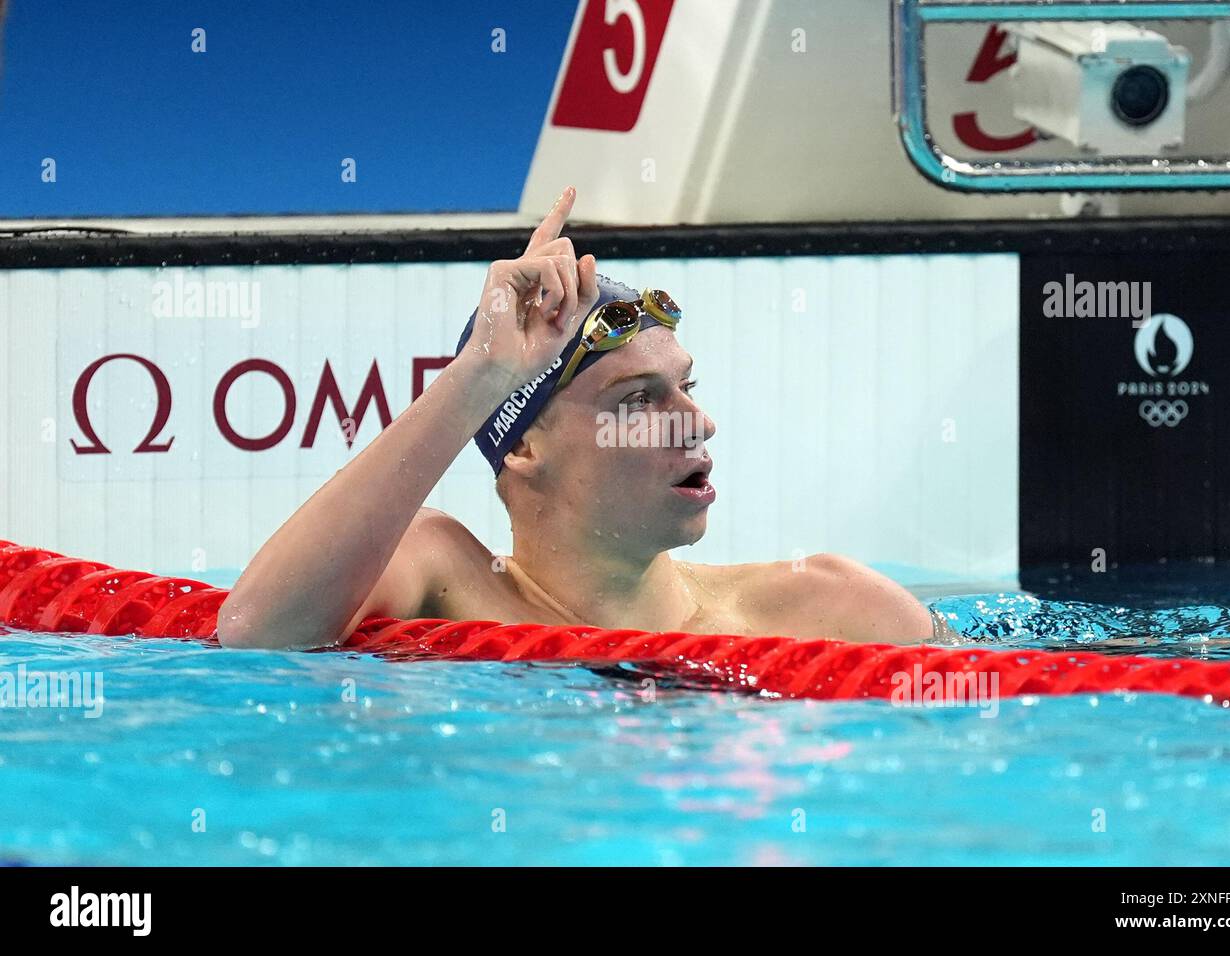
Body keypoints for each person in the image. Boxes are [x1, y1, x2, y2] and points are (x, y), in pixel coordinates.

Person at [218, 186, 945, 650]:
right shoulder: (443, 576)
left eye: (686, 386)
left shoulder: (828, 604)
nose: (697, 423)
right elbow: (260, 633)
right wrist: (481, 375)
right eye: (638, 401)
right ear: (525, 446)